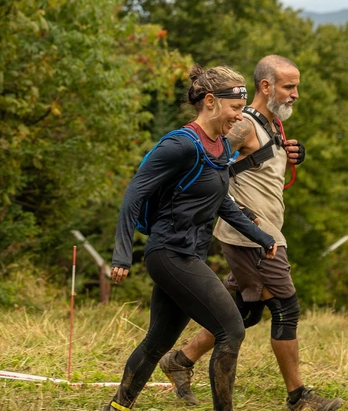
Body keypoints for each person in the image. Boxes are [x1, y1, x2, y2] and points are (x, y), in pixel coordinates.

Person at [157, 55, 344, 411]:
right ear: (266, 86)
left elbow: (256, 170)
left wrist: (292, 156)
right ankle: (298, 398)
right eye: (289, 86)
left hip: (263, 233)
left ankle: (180, 360)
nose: (296, 94)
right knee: (286, 308)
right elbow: (209, 164)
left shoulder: (270, 126)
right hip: (251, 236)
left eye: (296, 86)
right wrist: (234, 211)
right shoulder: (243, 126)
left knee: (245, 310)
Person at [102, 64, 277, 411]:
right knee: (232, 329)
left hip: (187, 255)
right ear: (210, 101)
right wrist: (122, 255)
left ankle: (117, 407)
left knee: (158, 340)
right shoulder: (181, 145)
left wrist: (260, 236)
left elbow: (221, 202)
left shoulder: (221, 148)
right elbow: (134, 194)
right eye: (235, 109)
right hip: (169, 254)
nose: (239, 118)